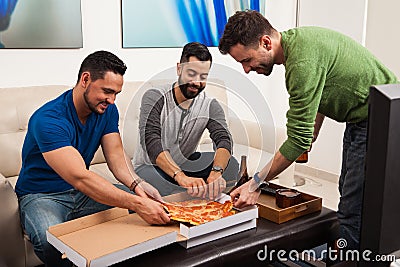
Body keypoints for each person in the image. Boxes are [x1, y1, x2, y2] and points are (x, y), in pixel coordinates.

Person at [218, 10, 398, 251]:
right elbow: (320, 92)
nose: (247, 70)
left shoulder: (301, 64)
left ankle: (350, 258)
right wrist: (312, 130)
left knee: (352, 209)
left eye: (246, 60)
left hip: (377, 118)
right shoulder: (299, 43)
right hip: (368, 116)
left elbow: (298, 140)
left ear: (266, 42)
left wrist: (254, 184)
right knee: (349, 191)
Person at [15, 50, 170, 267]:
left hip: (82, 194)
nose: (112, 100)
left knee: (155, 210)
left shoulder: (107, 111)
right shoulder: (48, 119)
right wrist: (138, 203)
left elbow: (116, 156)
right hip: (42, 195)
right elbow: (80, 177)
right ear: (85, 79)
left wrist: (139, 186)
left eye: (116, 93)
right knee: (49, 241)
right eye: (107, 91)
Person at [133, 42, 238, 199]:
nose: (196, 82)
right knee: (153, 180)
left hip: (185, 163)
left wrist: (216, 172)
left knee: (231, 164)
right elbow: (151, 141)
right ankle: (189, 192)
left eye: (203, 76)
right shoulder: (155, 96)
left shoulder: (210, 105)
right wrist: (179, 176)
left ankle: (195, 192)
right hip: (151, 167)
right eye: (191, 74)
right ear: (179, 69)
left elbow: (223, 139)